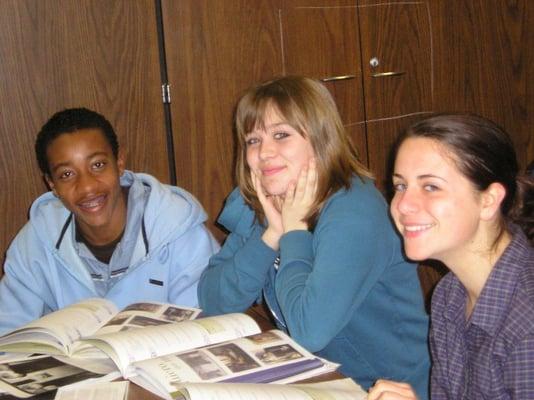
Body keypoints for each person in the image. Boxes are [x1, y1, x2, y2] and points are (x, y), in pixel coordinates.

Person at [197, 76, 431, 397]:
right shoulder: (264, 199)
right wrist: (271, 234)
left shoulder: (355, 210)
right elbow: (213, 301)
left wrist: (295, 232)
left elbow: (311, 331)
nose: (265, 152)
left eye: (281, 135)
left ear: (321, 140)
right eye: (252, 140)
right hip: (317, 380)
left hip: (384, 389)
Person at [0, 107, 219, 335]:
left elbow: (207, 328)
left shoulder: (178, 228)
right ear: (52, 185)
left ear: (119, 162)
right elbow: (7, 337)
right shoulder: (35, 243)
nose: (87, 187)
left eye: (97, 165)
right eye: (67, 174)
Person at [368, 114, 534, 399]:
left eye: (430, 186)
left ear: (488, 200)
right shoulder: (449, 295)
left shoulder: (526, 324)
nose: (403, 205)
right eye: (400, 186)